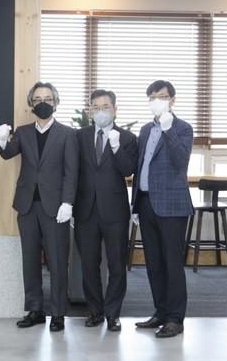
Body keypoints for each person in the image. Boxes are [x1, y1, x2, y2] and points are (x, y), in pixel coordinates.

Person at [0, 82, 78, 333]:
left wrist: (68, 202)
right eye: (38, 99)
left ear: (56, 102)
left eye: (48, 99)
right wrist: (2, 139)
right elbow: (7, 153)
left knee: (57, 261)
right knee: (30, 260)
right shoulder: (23, 132)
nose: (43, 103)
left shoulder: (68, 134)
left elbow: (71, 172)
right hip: (27, 206)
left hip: (56, 208)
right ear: (31, 104)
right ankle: (35, 310)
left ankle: (58, 312)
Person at [132, 80, 194, 338]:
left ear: (172, 100)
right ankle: (161, 311)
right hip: (146, 203)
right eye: (153, 97)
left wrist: (168, 130)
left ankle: (175, 319)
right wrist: (135, 204)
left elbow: (181, 161)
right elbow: (140, 166)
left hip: (172, 206)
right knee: (154, 264)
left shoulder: (182, 128)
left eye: (162, 96)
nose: (157, 100)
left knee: (172, 264)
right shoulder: (146, 129)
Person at [74, 89, 138, 331]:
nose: (101, 111)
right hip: (85, 210)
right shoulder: (79, 136)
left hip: (115, 212)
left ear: (115, 110)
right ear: (90, 111)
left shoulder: (128, 138)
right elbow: (72, 171)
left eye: (106, 107)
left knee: (116, 265)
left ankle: (113, 314)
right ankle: (95, 312)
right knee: (89, 265)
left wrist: (116, 147)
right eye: (96, 107)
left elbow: (128, 170)